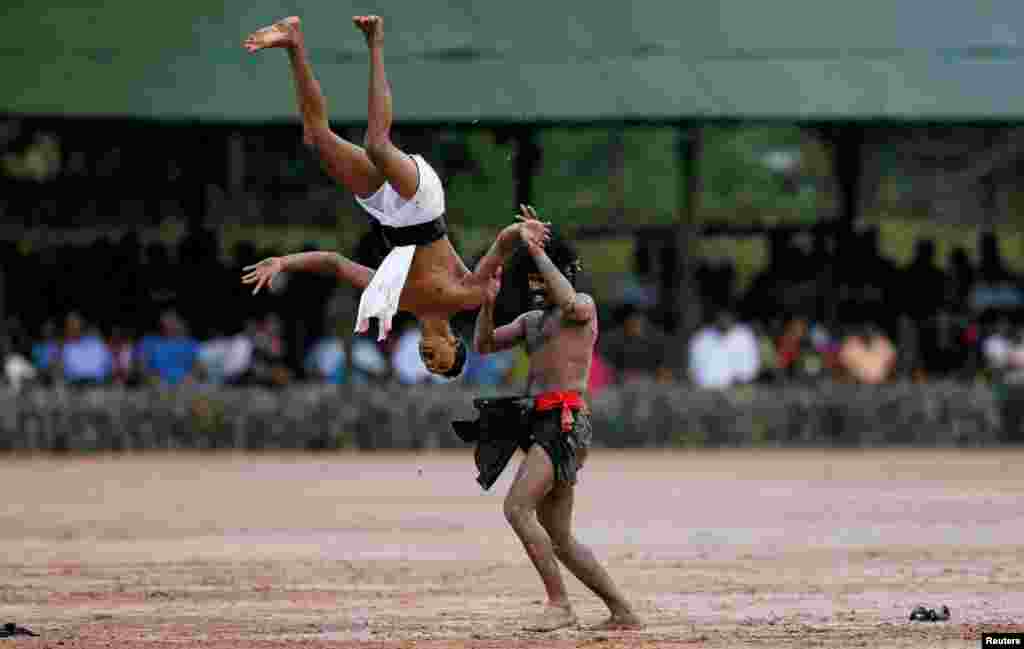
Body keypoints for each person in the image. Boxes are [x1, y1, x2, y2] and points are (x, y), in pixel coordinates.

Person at [241, 15, 547, 378]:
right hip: (423, 206)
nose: (428, 359)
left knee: (316, 137)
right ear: (454, 344)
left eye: (427, 364)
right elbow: (501, 243)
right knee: (377, 145)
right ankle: (375, 42)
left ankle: (293, 42)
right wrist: (525, 233)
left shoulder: (396, 299)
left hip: (388, 214)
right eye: (439, 361)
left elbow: (336, 263)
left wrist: (283, 262)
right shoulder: (468, 297)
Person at [466, 206, 642, 632]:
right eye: (530, 280)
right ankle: (623, 611)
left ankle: (560, 603)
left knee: (516, 508)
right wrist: (488, 304)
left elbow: (567, 299)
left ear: (560, 274)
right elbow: (484, 344)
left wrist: (535, 251)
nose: (535, 286)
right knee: (558, 534)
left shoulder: (581, 307)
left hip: (565, 421)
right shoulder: (531, 321)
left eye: (541, 278)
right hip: (542, 423)